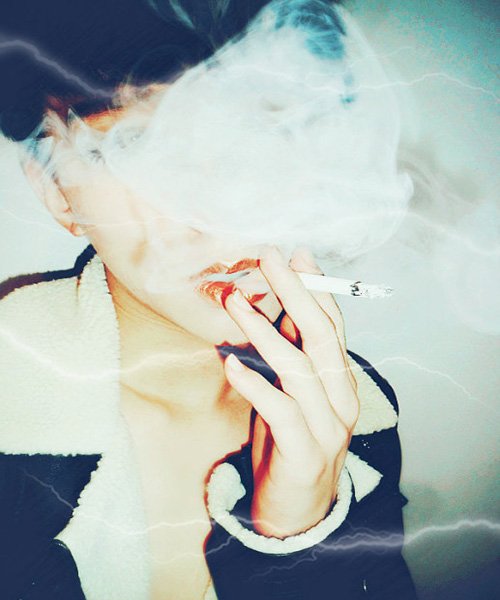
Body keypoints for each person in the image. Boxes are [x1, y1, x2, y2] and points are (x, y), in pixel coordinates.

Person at [0, 1, 418, 599]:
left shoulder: (357, 413)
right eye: (135, 145)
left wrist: (300, 536)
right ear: (57, 193)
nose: (214, 209)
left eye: (257, 134)